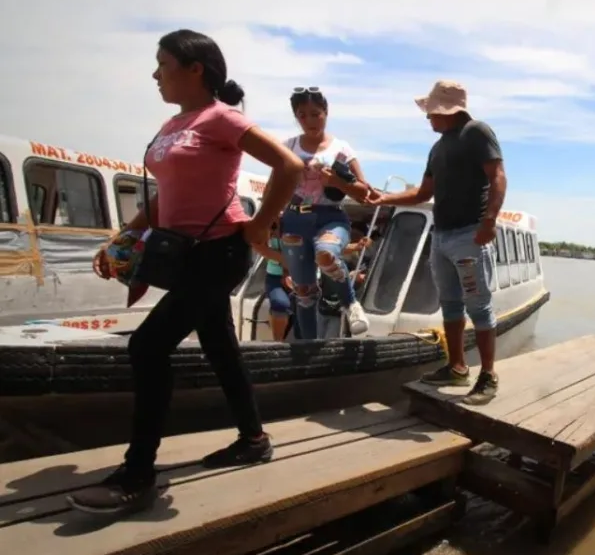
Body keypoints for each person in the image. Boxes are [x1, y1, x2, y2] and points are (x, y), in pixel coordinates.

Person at [69, 29, 302, 515]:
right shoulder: (177, 122)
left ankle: (138, 474)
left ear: (195, 69)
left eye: (163, 64)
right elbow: (166, 194)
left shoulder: (222, 118)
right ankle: (254, 439)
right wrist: (125, 236)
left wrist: (259, 226)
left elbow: (288, 166)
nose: (155, 74)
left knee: (147, 346)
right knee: (219, 345)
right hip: (184, 253)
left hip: (218, 252)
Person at [367, 80, 507, 405]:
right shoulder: (437, 148)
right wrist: (383, 198)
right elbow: (422, 193)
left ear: (446, 110)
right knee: (450, 304)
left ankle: (488, 375)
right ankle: (457, 367)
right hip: (441, 236)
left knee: (479, 307)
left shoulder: (477, 132)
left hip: (469, 235)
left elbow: (497, 175)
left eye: (430, 112)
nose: (427, 118)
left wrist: (489, 221)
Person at [280, 86, 372, 340]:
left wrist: (338, 183)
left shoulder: (341, 149)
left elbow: (364, 192)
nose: (309, 120)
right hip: (294, 219)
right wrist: (261, 220)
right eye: (302, 115)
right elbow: (275, 184)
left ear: (326, 113)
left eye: (315, 114)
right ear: (296, 116)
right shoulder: (287, 147)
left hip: (329, 217)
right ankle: (307, 348)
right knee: (304, 293)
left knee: (326, 254)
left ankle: (351, 304)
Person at [316, 223, 373, 338]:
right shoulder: (329, 253)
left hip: (339, 310)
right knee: (316, 339)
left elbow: (366, 277)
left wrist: (357, 277)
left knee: (329, 342)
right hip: (322, 306)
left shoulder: (362, 260)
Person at [251, 220, 293, 341]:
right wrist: (284, 260)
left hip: (305, 276)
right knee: (280, 303)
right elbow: (258, 245)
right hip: (275, 275)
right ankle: (278, 343)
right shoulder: (270, 224)